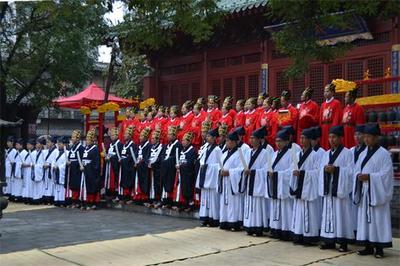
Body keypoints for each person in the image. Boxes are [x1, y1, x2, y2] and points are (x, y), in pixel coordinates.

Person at [353, 123, 393, 258]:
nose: (366, 139)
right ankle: (368, 246)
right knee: (365, 220)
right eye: (365, 137)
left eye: (369, 137)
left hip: (376, 192)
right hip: (365, 192)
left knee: (378, 220)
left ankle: (380, 248)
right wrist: (358, 176)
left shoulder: (384, 154)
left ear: (376, 138)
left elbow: (386, 175)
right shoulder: (363, 153)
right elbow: (356, 169)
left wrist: (369, 177)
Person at [319, 125, 354, 252]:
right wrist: (325, 170)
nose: (331, 140)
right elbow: (320, 170)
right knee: (328, 215)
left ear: (340, 138)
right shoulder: (326, 154)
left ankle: (343, 242)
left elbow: (351, 172)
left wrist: (336, 170)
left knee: (341, 215)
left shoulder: (347, 153)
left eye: (334, 137)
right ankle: (329, 240)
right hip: (329, 190)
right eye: (329, 137)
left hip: (340, 191)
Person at [290, 128, 321, 245]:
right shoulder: (297, 154)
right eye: (300, 138)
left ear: (309, 140)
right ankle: (298, 234)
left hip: (308, 189)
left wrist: (303, 174)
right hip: (299, 186)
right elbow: (292, 168)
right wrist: (293, 173)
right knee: (298, 211)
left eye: (304, 138)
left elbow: (318, 173)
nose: (301, 140)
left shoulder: (315, 155)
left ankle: (309, 237)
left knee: (309, 211)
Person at [242, 127, 271, 236]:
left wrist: (253, 172)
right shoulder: (248, 152)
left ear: (259, 140)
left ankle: (258, 227)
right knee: (249, 204)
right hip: (250, 181)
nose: (252, 140)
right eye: (251, 138)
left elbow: (266, 168)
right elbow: (243, 165)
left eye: (254, 138)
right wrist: (244, 171)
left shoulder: (265, 153)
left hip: (258, 182)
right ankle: (249, 226)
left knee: (258, 206)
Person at [266, 129, 294, 241]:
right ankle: (275, 229)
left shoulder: (291, 154)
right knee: (275, 207)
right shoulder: (274, 154)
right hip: (275, 184)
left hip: (284, 186)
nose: (278, 143)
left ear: (287, 142)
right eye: (276, 141)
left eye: (280, 141)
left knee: (285, 209)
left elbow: (291, 171)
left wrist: (277, 174)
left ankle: (286, 231)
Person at [219, 131, 244, 231]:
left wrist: (229, 172)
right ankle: (224, 221)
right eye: (226, 141)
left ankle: (234, 223)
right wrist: (220, 171)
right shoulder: (225, 153)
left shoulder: (240, 154)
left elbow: (241, 169)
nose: (227, 143)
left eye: (228, 141)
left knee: (233, 203)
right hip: (225, 182)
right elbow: (219, 165)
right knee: (224, 202)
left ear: (234, 142)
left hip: (232, 182)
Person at [196, 127, 222, 226]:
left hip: (212, 178)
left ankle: (213, 218)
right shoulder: (206, 148)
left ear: (214, 138)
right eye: (207, 136)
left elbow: (219, 164)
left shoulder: (217, 149)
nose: (207, 138)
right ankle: (205, 217)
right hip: (205, 175)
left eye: (209, 136)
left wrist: (208, 167)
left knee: (212, 199)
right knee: (205, 199)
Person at [160, 125, 182, 208]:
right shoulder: (166, 145)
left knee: (172, 184)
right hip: (165, 167)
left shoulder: (178, 145)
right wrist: (164, 160)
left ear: (174, 135)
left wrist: (168, 160)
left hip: (172, 168)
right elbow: (163, 154)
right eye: (168, 135)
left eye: (170, 135)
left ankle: (171, 201)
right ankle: (165, 200)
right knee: (164, 183)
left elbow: (177, 156)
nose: (168, 136)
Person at [175, 132, 197, 211]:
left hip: (189, 173)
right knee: (182, 188)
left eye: (184, 140)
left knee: (189, 188)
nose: (183, 142)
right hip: (182, 173)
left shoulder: (192, 150)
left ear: (189, 141)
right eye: (182, 140)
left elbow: (190, 163)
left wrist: (181, 166)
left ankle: (191, 205)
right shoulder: (182, 150)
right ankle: (184, 203)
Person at [81, 129, 101, 210]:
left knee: (92, 186)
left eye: (88, 140)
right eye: (86, 140)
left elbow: (96, 163)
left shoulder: (95, 149)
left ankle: (92, 202)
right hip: (85, 171)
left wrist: (86, 166)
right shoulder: (86, 148)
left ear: (92, 140)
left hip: (91, 172)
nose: (87, 141)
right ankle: (85, 202)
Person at [320, 83, 342, 150]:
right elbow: (320, 118)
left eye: (327, 91)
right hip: (323, 128)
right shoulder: (323, 105)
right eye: (324, 91)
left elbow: (336, 117)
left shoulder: (336, 103)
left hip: (331, 127)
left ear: (332, 92)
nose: (325, 93)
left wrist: (333, 130)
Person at [118, 126, 137, 203]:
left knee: (129, 180)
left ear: (130, 135)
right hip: (123, 165)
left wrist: (124, 160)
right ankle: (124, 196)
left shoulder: (132, 145)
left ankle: (129, 197)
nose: (124, 135)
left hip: (129, 166)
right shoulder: (124, 144)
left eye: (126, 134)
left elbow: (131, 156)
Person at [67, 130, 85, 208]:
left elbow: (81, 160)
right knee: (72, 185)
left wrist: (74, 163)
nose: (72, 139)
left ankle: (77, 201)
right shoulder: (72, 147)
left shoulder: (81, 148)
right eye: (72, 137)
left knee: (77, 185)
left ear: (77, 139)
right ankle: (73, 201)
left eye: (73, 137)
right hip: (72, 169)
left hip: (77, 169)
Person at [103, 127, 123, 198]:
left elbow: (119, 155)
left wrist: (111, 158)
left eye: (113, 135)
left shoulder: (120, 144)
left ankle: (115, 191)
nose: (111, 137)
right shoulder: (110, 145)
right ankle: (108, 190)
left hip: (114, 164)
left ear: (117, 136)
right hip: (109, 164)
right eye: (111, 135)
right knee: (108, 177)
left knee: (114, 177)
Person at [147, 129, 163, 208]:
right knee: (150, 184)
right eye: (151, 138)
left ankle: (158, 199)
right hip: (150, 168)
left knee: (157, 184)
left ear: (157, 139)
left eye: (153, 139)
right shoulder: (150, 147)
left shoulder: (161, 147)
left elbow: (160, 158)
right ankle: (151, 199)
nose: (152, 140)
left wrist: (154, 163)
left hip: (157, 169)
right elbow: (147, 156)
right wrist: (148, 162)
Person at [135, 127, 152, 203]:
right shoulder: (139, 146)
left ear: (145, 137)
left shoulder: (148, 146)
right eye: (140, 136)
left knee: (145, 182)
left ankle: (145, 197)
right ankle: (139, 196)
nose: (140, 138)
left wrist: (143, 161)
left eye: (142, 136)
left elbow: (148, 156)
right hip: (139, 166)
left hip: (144, 167)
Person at [52, 136, 68, 207]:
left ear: (64, 144)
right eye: (58, 144)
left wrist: (59, 167)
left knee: (61, 186)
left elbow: (65, 163)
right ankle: (56, 199)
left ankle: (62, 200)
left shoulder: (67, 153)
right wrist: (53, 166)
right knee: (57, 185)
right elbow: (53, 161)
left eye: (60, 144)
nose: (58, 145)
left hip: (61, 172)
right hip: (56, 171)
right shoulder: (56, 152)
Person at [42, 136, 58, 204]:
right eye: (47, 142)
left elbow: (56, 162)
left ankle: (51, 198)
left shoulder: (56, 151)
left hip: (52, 170)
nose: (47, 144)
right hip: (46, 169)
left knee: (52, 184)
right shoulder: (46, 151)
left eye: (48, 142)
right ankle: (46, 198)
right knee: (47, 184)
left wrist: (49, 165)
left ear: (53, 143)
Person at [21, 138, 36, 203]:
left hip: (30, 170)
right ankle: (26, 197)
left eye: (29, 144)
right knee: (27, 184)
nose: (27, 146)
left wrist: (27, 165)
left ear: (32, 145)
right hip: (26, 170)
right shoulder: (28, 152)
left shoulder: (34, 152)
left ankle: (30, 197)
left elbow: (34, 163)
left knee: (30, 184)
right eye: (27, 144)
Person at [32, 137, 46, 204]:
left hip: (40, 170)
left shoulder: (44, 152)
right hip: (36, 170)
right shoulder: (35, 152)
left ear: (41, 145)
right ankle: (35, 197)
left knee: (40, 185)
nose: (37, 144)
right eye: (36, 143)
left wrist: (39, 166)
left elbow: (44, 162)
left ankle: (40, 198)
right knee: (35, 185)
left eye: (38, 143)